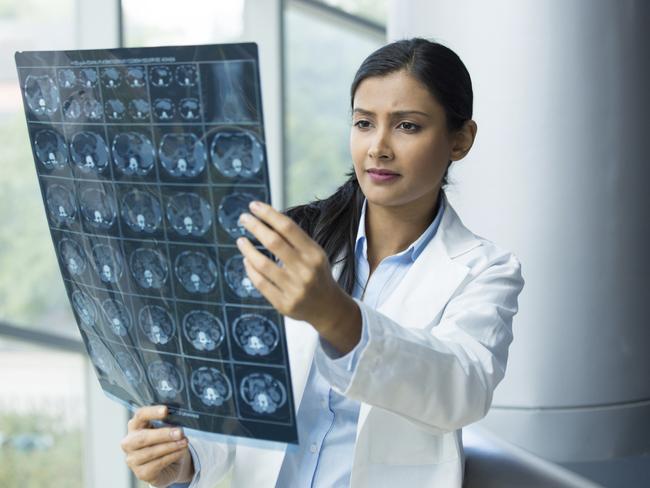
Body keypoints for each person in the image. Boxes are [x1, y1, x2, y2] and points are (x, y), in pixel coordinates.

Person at [120, 37, 525, 488]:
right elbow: (245, 405)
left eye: (407, 126)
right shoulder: (296, 241)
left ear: (460, 140)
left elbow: (459, 390)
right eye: (364, 123)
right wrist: (186, 458)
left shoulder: (487, 270)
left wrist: (334, 314)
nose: (379, 147)